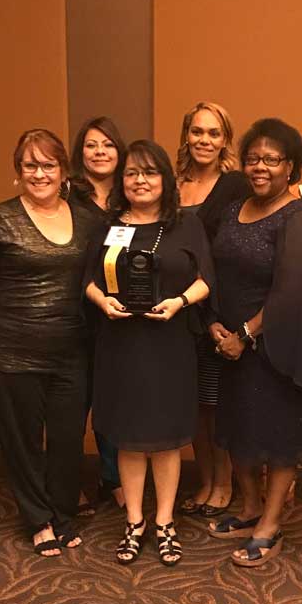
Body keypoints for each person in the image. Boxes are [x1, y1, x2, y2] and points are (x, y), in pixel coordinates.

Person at [0, 129, 100, 557]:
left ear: (63, 171)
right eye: (30, 165)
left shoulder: (87, 219)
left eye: (48, 165)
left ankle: (63, 512)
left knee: (66, 439)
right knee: (23, 440)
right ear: (18, 171)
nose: (39, 173)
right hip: (13, 352)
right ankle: (38, 518)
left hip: (72, 352)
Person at [85, 140, 214, 566]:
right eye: (132, 173)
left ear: (165, 179)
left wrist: (179, 302)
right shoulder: (107, 225)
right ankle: (134, 522)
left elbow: (206, 280)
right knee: (128, 436)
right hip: (121, 344)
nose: (141, 181)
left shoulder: (185, 225)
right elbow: (87, 279)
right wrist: (103, 302)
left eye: (150, 172)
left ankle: (165, 523)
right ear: (122, 181)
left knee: (166, 439)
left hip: (169, 343)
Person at [207, 118, 302, 567]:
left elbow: (291, 291)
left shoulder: (300, 218)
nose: (260, 167)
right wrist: (216, 325)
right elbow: (217, 270)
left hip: (278, 348)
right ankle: (250, 507)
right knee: (238, 432)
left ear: (289, 166)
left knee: (279, 436)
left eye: (271, 160)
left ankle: (271, 524)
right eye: (253, 158)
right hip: (231, 346)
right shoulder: (233, 207)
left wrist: (246, 334)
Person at [175, 101, 252, 519]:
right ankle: (204, 481)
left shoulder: (236, 184)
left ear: (225, 139)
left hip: (217, 309)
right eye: (198, 131)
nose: (205, 140)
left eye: (214, 133)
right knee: (192, 403)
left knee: (216, 401)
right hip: (179, 311)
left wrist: (216, 317)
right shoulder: (174, 184)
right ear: (186, 135)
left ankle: (224, 484)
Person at [69, 116, 127, 512]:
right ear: (80, 153)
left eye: (108, 144)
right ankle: (67, 480)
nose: (100, 151)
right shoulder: (66, 195)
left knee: (114, 401)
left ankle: (113, 477)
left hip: (121, 316)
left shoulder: (132, 193)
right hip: (75, 312)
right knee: (73, 405)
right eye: (91, 145)